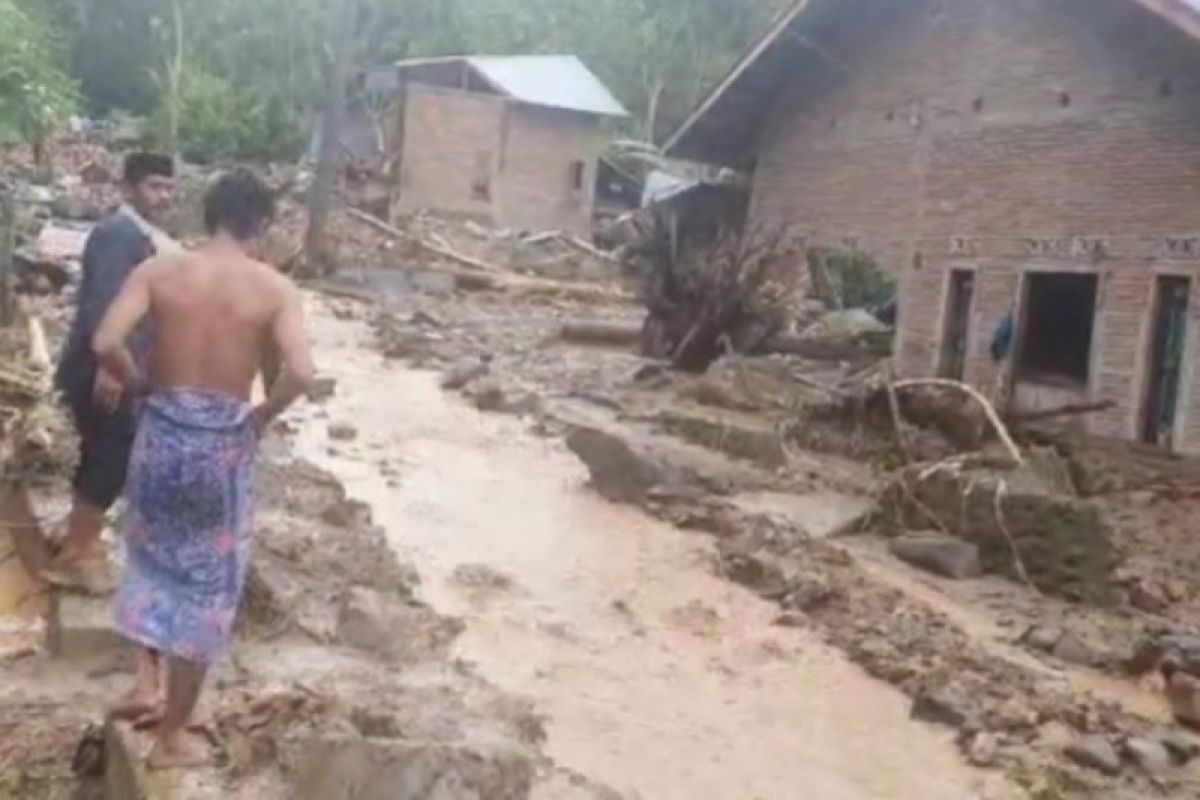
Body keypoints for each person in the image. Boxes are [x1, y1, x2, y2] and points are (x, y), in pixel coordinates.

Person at [92, 168, 315, 768]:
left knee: (149, 558)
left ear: (207, 216)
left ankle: (145, 683)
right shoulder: (273, 289)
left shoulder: (161, 270)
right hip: (222, 450)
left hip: (160, 436)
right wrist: (264, 414)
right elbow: (302, 372)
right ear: (261, 227)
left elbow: (104, 341)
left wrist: (140, 383)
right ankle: (171, 734)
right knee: (208, 586)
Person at [48, 153, 179, 594]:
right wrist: (111, 367)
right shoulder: (118, 234)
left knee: (104, 452)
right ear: (128, 189)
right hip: (104, 366)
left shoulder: (142, 237)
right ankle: (76, 550)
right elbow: (103, 304)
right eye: (154, 187)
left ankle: (79, 538)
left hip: (117, 364)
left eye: (168, 187)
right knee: (111, 454)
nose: (163, 196)